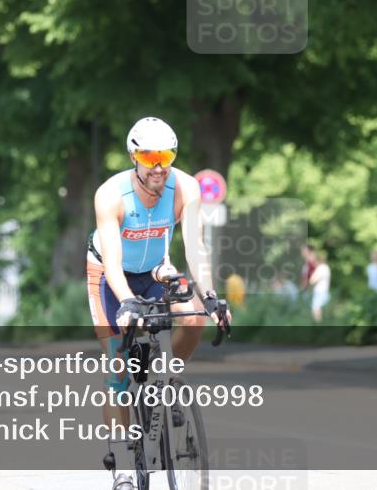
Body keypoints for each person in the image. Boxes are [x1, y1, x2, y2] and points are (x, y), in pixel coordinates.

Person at [87, 117, 230, 490]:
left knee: (194, 318)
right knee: (117, 364)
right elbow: (113, 265)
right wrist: (128, 303)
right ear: (134, 156)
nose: (158, 166)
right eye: (149, 157)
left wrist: (211, 296)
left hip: (153, 272)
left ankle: (164, 385)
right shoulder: (110, 194)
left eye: (165, 155)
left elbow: (196, 247)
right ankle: (122, 463)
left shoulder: (185, 188)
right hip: (108, 275)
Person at [304, 246, 331, 323]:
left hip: (320, 292)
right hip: (324, 291)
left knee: (316, 308)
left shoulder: (321, 268)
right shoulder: (326, 267)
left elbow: (312, 280)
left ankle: (318, 325)